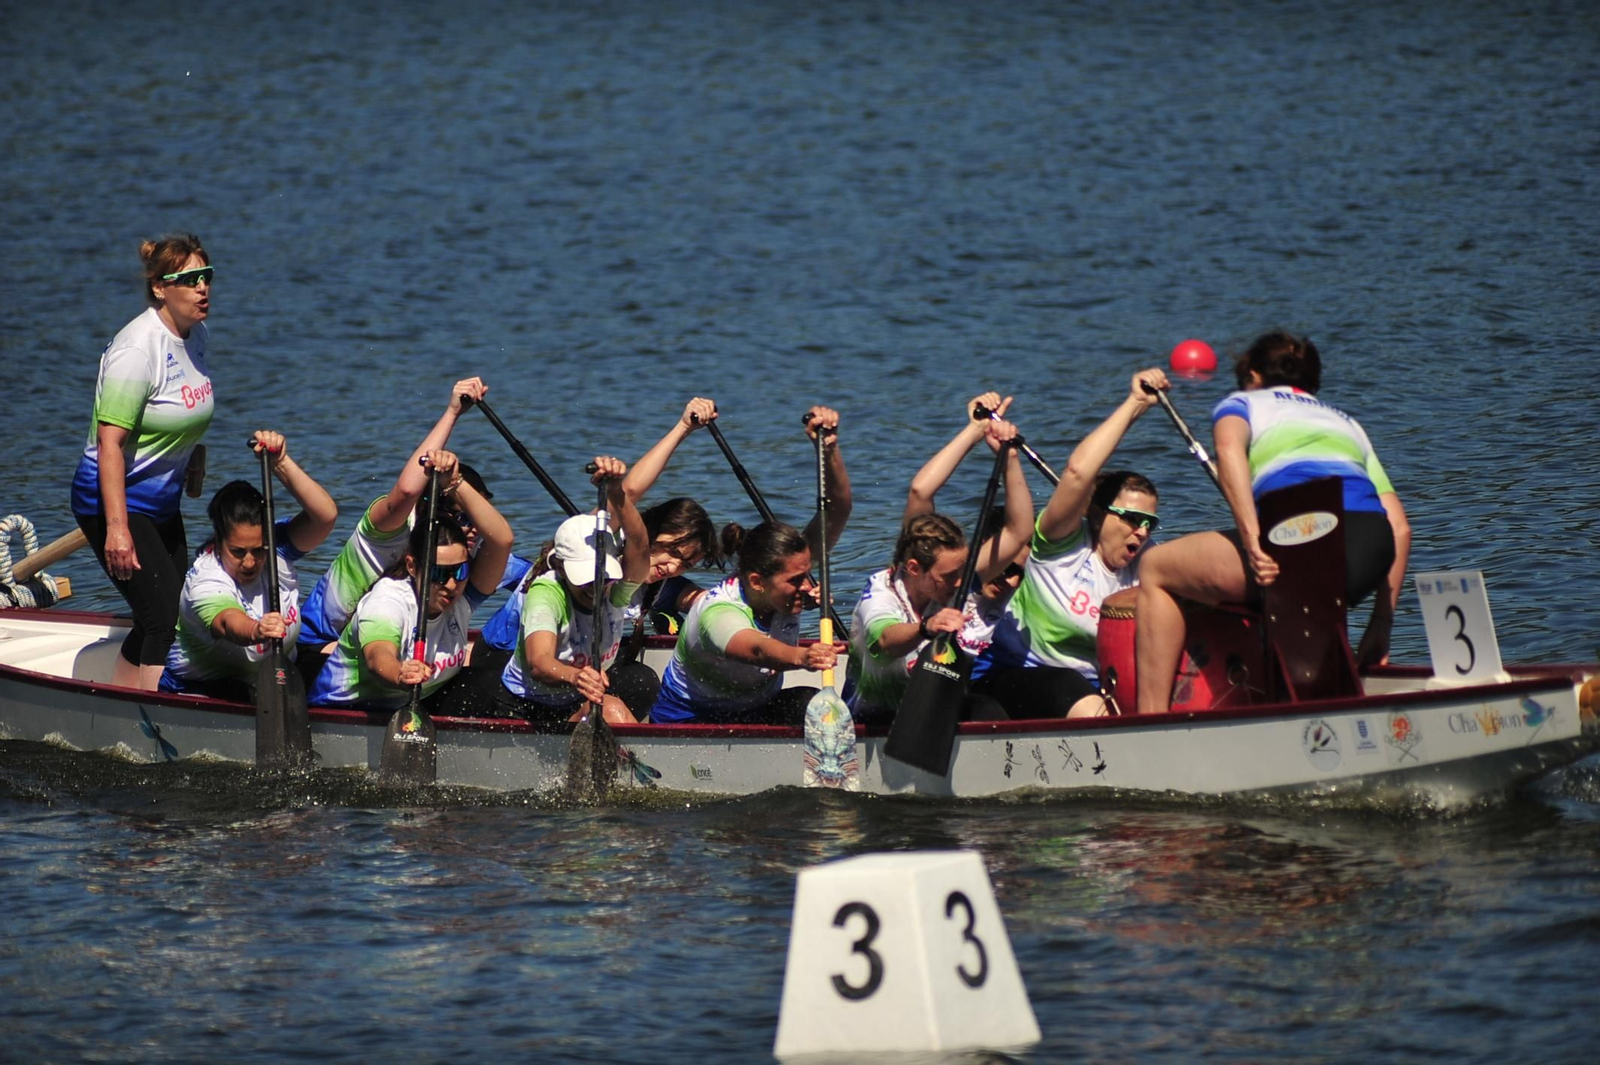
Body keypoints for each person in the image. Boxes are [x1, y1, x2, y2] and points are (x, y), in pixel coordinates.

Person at [1132, 333, 1410, 713]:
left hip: (1300, 540)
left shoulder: (1241, 403)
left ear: (1254, 375)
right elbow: (1400, 528)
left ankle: (1151, 721)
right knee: (1312, 586)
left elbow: (1228, 450)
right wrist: (1381, 625)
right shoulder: (1346, 422)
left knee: (1155, 567)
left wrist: (1252, 540)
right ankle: (1306, 691)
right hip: (1369, 550)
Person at [975, 369, 1169, 719]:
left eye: (1149, 523)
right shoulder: (1062, 543)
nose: (1141, 532)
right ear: (1096, 515)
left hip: (1096, 686)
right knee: (1068, 684)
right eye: (1131, 518)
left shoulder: (1150, 560)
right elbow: (1079, 473)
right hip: (1016, 675)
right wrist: (1136, 403)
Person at [71, 234, 216, 690]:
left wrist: (193, 457)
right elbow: (109, 445)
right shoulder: (137, 350)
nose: (202, 288)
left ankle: (118, 699)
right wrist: (117, 530)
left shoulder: (197, 336)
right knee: (165, 621)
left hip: (162, 503)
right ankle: (159, 715)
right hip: (115, 502)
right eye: (189, 280)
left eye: (206, 277)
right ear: (159, 288)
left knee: (170, 611)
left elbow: (184, 409)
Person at [649, 406, 852, 725]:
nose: (807, 586)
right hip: (690, 720)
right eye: (795, 580)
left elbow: (837, 509)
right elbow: (757, 650)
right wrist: (803, 656)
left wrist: (828, 449)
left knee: (812, 703)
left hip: (755, 708)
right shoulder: (717, 612)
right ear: (756, 581)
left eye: (806, 576)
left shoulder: (784, 573)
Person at [845, 398, 1032, 723]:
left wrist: (1008, 457)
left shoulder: (954, 580)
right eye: (948, 576)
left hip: (932, 708)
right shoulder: (881, 594)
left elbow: (1019, 530)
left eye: (961, 572)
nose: (961, 583)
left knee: (986, 709)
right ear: (914, 569)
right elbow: (887, 641)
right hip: (873, 718)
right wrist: (926, 627)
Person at [294, 377, 488, 684]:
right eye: (462, 517)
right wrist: (452, 413)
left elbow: (510, 554)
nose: (472, 529)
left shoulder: (455, 554)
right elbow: (407, 490)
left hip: (396, 645)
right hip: (319, 648)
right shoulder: (388, 530)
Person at [308, 452, 513, 712]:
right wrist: (399, 673)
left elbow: (502, 540)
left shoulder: (461, 591)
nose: (451, 585)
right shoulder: (388, 601)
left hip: (417, 700)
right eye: (439, 573)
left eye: (459, 571)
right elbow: (378, 656)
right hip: (351, 708)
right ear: (412, 566)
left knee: (498, 676)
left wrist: (455, 482)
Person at [160, 432, 338, 700]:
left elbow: (325, 516)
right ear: (218, 542)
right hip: (200, 689)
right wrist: (257, 630)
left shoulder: (276, 548)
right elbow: (228, 623)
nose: (250, 562)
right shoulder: (206, 581)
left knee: (339, 668)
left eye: (258, 550)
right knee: (239, 691)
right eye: (238, 552)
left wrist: (281, 462)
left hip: (273, 679)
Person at [486, 458, 655, 725]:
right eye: (584, 579)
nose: (594, 588)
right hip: (525, 704)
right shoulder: (547, 592)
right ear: (560, 567)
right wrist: (576, 676)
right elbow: (540, 663)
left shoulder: (614, 591)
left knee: (638, 685)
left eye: (601, 578)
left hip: (574, 698)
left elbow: (640, 545)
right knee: (612, 708)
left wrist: (616, 491)